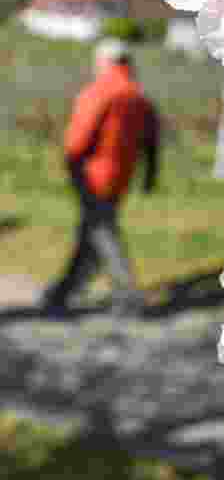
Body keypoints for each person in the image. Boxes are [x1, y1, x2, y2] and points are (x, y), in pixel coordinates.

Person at [41, 39, 160, 316]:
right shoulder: (137, 95)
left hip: (93, 176)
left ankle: (129, 296)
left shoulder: (100, 92)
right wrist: (150, 175)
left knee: (103, 233)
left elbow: (79, 138)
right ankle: (63, 292)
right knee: (92, 231)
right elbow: (151, 141)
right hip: (121, 177)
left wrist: (71, 165)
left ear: (105, 61)